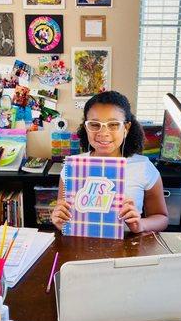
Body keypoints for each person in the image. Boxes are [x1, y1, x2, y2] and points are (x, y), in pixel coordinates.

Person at [51, 91, 169, 233]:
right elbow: (63, 215)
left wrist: (141, 224)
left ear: (126, 128)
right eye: (94, 124)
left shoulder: (143, 167)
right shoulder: (72, 168)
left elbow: (161, 217)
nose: (103, 133)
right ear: (86, 127)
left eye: (113, 124)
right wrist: (59, 221)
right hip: (81, 246)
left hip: (127, 248)